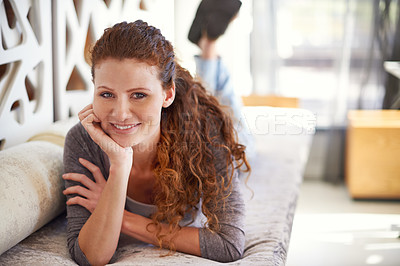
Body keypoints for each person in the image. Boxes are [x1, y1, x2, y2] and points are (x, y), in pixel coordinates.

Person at [62, 20, 251, 265]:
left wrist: (123, 217)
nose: (120, 114)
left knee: (231, 117)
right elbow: (91, 257)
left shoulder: (207, 135)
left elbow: (228, 244)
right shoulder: (83, 141)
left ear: (167, 94)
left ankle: (209, 49)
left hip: (210, 126)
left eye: (139, 95)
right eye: (107, 94)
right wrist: (120, 165)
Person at [188, 0, 255, 160]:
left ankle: (208, 47)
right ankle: (209, 46)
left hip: (223, 145)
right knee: (241, 140)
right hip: (232, 149)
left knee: (220, 104)